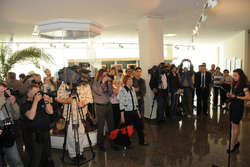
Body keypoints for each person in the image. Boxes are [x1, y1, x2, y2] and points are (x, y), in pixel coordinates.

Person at [56, 79, 93, 160]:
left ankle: (79, 153)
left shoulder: (85, 84)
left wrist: (83, 103)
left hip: (81, 114)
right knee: (71, 135)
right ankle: (73, 155)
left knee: (81, 134)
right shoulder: (65, 83)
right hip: (69, 115)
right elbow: (57, 98)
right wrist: (66, 100)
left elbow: (89, 98)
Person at [21, 84, 54, 167]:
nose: (38, 95)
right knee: (36, 159)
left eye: (39, 92)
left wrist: (47, 101)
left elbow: (50, 112)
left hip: (45, 133)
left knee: (46, 156)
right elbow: (31, 117)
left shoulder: (42, 101)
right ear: (29, 94)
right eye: (36, 93)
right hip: (34, 136)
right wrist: (35, 101)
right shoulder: (24, 104)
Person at [119, 75, 148, 146]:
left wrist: (138, 111)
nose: (131, 81)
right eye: (129, 80)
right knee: (127, 129)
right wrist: (122, 116)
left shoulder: (132, 89)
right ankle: (127, 143)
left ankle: (142, 142)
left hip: (134, 111)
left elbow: (135, 101)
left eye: (131, 80)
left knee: (139, 127)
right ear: (125, 81)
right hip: (127, 112)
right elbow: (121, 104)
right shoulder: (122, 90)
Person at [0, 82, 23, 167]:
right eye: (1, 91)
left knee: (15, 160)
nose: (3, 93)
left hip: (8, 133)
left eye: (4, 91)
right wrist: (3, 99)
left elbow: (16, 116)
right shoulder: (3, 99)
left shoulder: (7, 100)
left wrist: (14, 104)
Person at [91, 69, 115, 151]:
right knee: (101, 126)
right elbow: (99, 92)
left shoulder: (107, 82)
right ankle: (100, 144)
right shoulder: (95, 83)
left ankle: (113, 143)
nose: (106, 77)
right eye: (104, 75)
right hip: (100, 106)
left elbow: (111, 93)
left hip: (108, 105)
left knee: (111, 125)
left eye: (106, 75)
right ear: (100, 75)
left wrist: (109, 84)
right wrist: (102, 83)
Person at [227, 69, 248, 153]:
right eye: (233, 75)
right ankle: (235, 142)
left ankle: (232, 146)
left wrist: (237, 97)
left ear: (240, 76)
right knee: (234, 125)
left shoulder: (244, 85)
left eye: (236, 75)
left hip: (238, 107)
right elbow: (232, 93)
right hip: (232, 105)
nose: (234, 77)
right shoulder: (234, 83)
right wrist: (230, 95)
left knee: (235, 125)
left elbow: (248, 97)